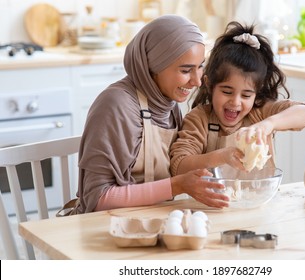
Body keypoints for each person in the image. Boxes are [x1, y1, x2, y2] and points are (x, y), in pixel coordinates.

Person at [72, 15, 229, 214]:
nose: (197, 81)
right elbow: (97, 199)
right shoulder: (115, 105)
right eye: (185, 70)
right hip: (107, 228)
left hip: (154, 222)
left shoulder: (168, 104)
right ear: (153, 66)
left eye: (200, 67)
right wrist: (177, 185)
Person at [170, 21, 305, 176]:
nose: (236, 102)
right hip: (210, 200)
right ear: (209, 84)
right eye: (227, 91)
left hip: (261, 199)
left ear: (256, 93)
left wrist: (268, 124)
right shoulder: (199, 119)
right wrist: (221, 157)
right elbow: (179, 166)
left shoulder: (259, 112)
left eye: (246, 95)